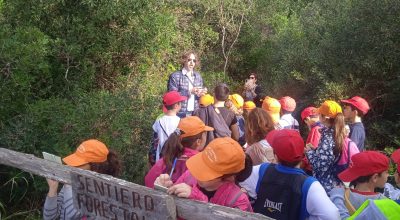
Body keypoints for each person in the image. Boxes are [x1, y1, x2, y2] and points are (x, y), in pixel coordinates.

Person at [239, 129, 340, 219]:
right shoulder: (310, 185)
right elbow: (332, 216)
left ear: (275, 155)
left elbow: (241, 177)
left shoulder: (261, 170)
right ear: (302, 155)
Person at [155, 137, 253, 212]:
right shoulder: (189, 175)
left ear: (229, 176)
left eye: (207, 171)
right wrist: (164, 189)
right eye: (201, 165)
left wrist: (199, 200)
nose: (198, 173)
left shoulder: (238, 200)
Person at [43, 139, 121, 220]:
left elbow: (71, 216)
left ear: (95, 166)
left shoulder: (103, 195)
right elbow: (49, 217)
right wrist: (53, 189)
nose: (72, 165)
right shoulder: (74, 181)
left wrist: (69, 185)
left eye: (80, 162)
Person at [305, 100, 359, 193]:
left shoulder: (328, 138)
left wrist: (308, 152)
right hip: (337, 185)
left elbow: (320, 166)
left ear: (324, 118)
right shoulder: (338, 133)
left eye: (320, 114)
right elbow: (330, 156)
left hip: (327, 188)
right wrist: (316, 150)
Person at [145, 116, 213, 188]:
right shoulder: (202, 163)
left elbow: (148, 181)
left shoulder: (167, 158)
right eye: (205, 134)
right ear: (198, 142)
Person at [330, 151, 389, 219]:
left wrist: (336, 192)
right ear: (375, 177)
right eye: (386, 172)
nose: (388, 175)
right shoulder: (384, 202)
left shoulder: (339, 194)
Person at [149, 91, 187, 165]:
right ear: (176, 106)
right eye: (180, 102)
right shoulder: (181, 122)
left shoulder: (158, 121)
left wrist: (152, 161)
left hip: (161, 159)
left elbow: (154, 143)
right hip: (176, 159)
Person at [167, 51, 206, 118]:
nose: (192, 63)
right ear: (184, 61)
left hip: (195, 113)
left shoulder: (198, 76)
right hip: (180, 113)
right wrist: (189, 92)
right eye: (189, 60)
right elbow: (172, 96)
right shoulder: (175, 76)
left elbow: (198, 97)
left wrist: (201, 93)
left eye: (194, 60)